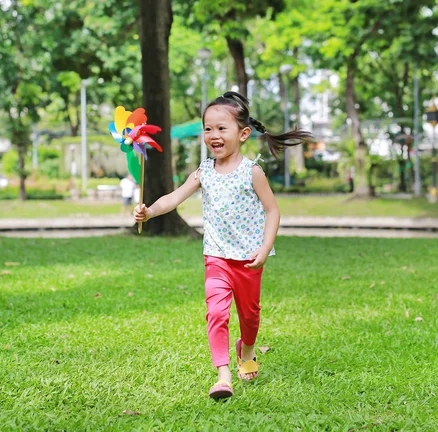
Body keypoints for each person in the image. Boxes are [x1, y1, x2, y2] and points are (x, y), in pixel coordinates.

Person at [134, 91, 313, 399]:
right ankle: (223, 375)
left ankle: (247, 348)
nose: (213, 135)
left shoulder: (252, 171)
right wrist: (149, 211)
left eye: (221, 128)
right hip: (216, 257)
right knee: (216, 313)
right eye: (208, 129)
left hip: (248, 259)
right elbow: (174, 198)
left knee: (250, 315)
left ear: (243, 134)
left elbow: (273, 211)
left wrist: (264, 248)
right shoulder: (204, 171)